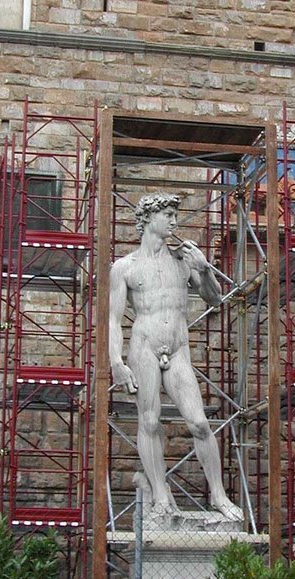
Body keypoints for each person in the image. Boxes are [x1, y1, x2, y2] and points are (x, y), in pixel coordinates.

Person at [109, 191, 243, 521]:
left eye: (174, 214)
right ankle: (159, 494)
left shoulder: (184, 261)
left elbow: (215, 300)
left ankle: (219, 496)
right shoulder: (124, 267)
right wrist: (116, 362)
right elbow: (112, 319)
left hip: (178, 349)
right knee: (149, 421)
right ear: (148, 219)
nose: (174, 220)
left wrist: (205, 268)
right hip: (144, 347)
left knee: (199, 423)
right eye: (167, 214)